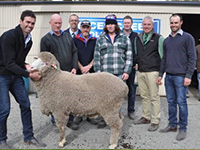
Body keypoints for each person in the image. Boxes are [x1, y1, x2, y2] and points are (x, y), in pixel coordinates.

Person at [0, 10, 46, 149]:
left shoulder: (29, 40)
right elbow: (9, 63)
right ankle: (2, 140)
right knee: (4, 109)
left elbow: (17, 60)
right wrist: (28, 74)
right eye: (27, 22)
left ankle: (29, 137)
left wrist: (26, 65)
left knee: (26, 105)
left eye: (32, 23)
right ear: (20, 22)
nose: (30, 25)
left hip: (16, 76)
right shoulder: (9, 36)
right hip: (2, 76)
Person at [157, 14, 196, 141]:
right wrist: (160, 75)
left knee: (182, 103)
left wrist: (189, 76)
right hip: (169, 77)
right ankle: (172, 125)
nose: (173, 25)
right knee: (171, 102)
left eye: (176, 22)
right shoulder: (167, 40)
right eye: (172, 23)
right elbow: (164, 59)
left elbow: (192, 58)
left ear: (181, 23)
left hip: (181, 77)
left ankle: (183, 128)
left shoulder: (187, 38)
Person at [94, 14, 133, 128]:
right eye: (108, 24)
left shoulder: (124, 38)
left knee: (117, 99)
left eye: (112, 23)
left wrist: (127, 71)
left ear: (116, 25)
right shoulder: (100, 39)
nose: (110, 26)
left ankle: (115, 121)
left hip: (119, 74)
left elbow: (129, 56)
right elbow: (97, 57)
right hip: (105, 76)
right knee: (103, 98)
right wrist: (98, 74)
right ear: (106, 26)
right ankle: (103, 119)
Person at [40, 13, 78, 130]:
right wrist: (52, 66)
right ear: (50, 23)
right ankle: (56, 121)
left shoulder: (67, 36)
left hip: (69, 75)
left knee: (70, 98)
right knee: (56, 99)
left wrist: (74, 67)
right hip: (54, 77)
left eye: (59, 23)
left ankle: (70, 121)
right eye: (55, 23)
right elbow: (44, 58)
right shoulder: (45, 40)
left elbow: (74, 52)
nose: (57, 25)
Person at [133, 16, 164, 132]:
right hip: (141, 72)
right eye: (144, 24)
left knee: (154, 97)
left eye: (148, 24)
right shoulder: (138, 37)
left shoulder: (159, 38)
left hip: (153, 72)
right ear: (142, 25)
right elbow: (136, 54)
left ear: (152, 26)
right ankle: (145, 117)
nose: (146, 26)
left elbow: (163, 57)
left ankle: (155, 120)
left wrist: (161, 74)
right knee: (144, 96)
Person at [73, 20, 100, 126]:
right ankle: (78, 115)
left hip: (91, 70)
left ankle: (90, 115)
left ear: (90, 29)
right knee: (78, 93)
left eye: (87, 27)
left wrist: (89, 67)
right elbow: (74, 55)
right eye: (83, 27)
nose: (85, 29)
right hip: (79, 71)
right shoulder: (75, 40)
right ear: (80, 28)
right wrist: (81, 67)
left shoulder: (94, 40)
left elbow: (96, 55)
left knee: (90, 93)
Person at [123, 15, 138, 120]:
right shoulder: (119, 35)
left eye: (128, 22)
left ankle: (131, 111)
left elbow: (138, 51)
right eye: (125, 23)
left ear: (131, 24)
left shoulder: (136, 36)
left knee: (131, 89)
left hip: (131, 67)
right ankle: (116, 111)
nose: (127, 24)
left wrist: (136, 62)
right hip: (120, 67)